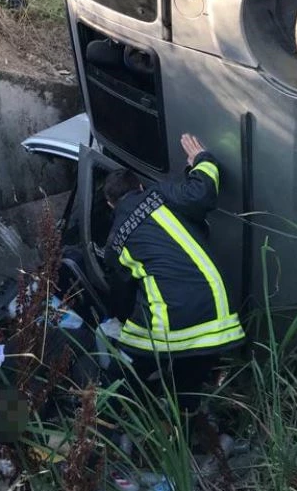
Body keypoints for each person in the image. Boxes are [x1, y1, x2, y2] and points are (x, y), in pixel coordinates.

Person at [103, 133, 245, 411]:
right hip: (215, 313)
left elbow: (122, 296)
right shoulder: (162, 194)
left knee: (125, 367)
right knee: (187, 386)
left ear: (111, 205)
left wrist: (118, 319)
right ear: (140, 186)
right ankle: (186, 418)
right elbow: (202, 193)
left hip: (169, 323)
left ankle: (105, 413)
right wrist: (202, 160)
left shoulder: (115, 243)